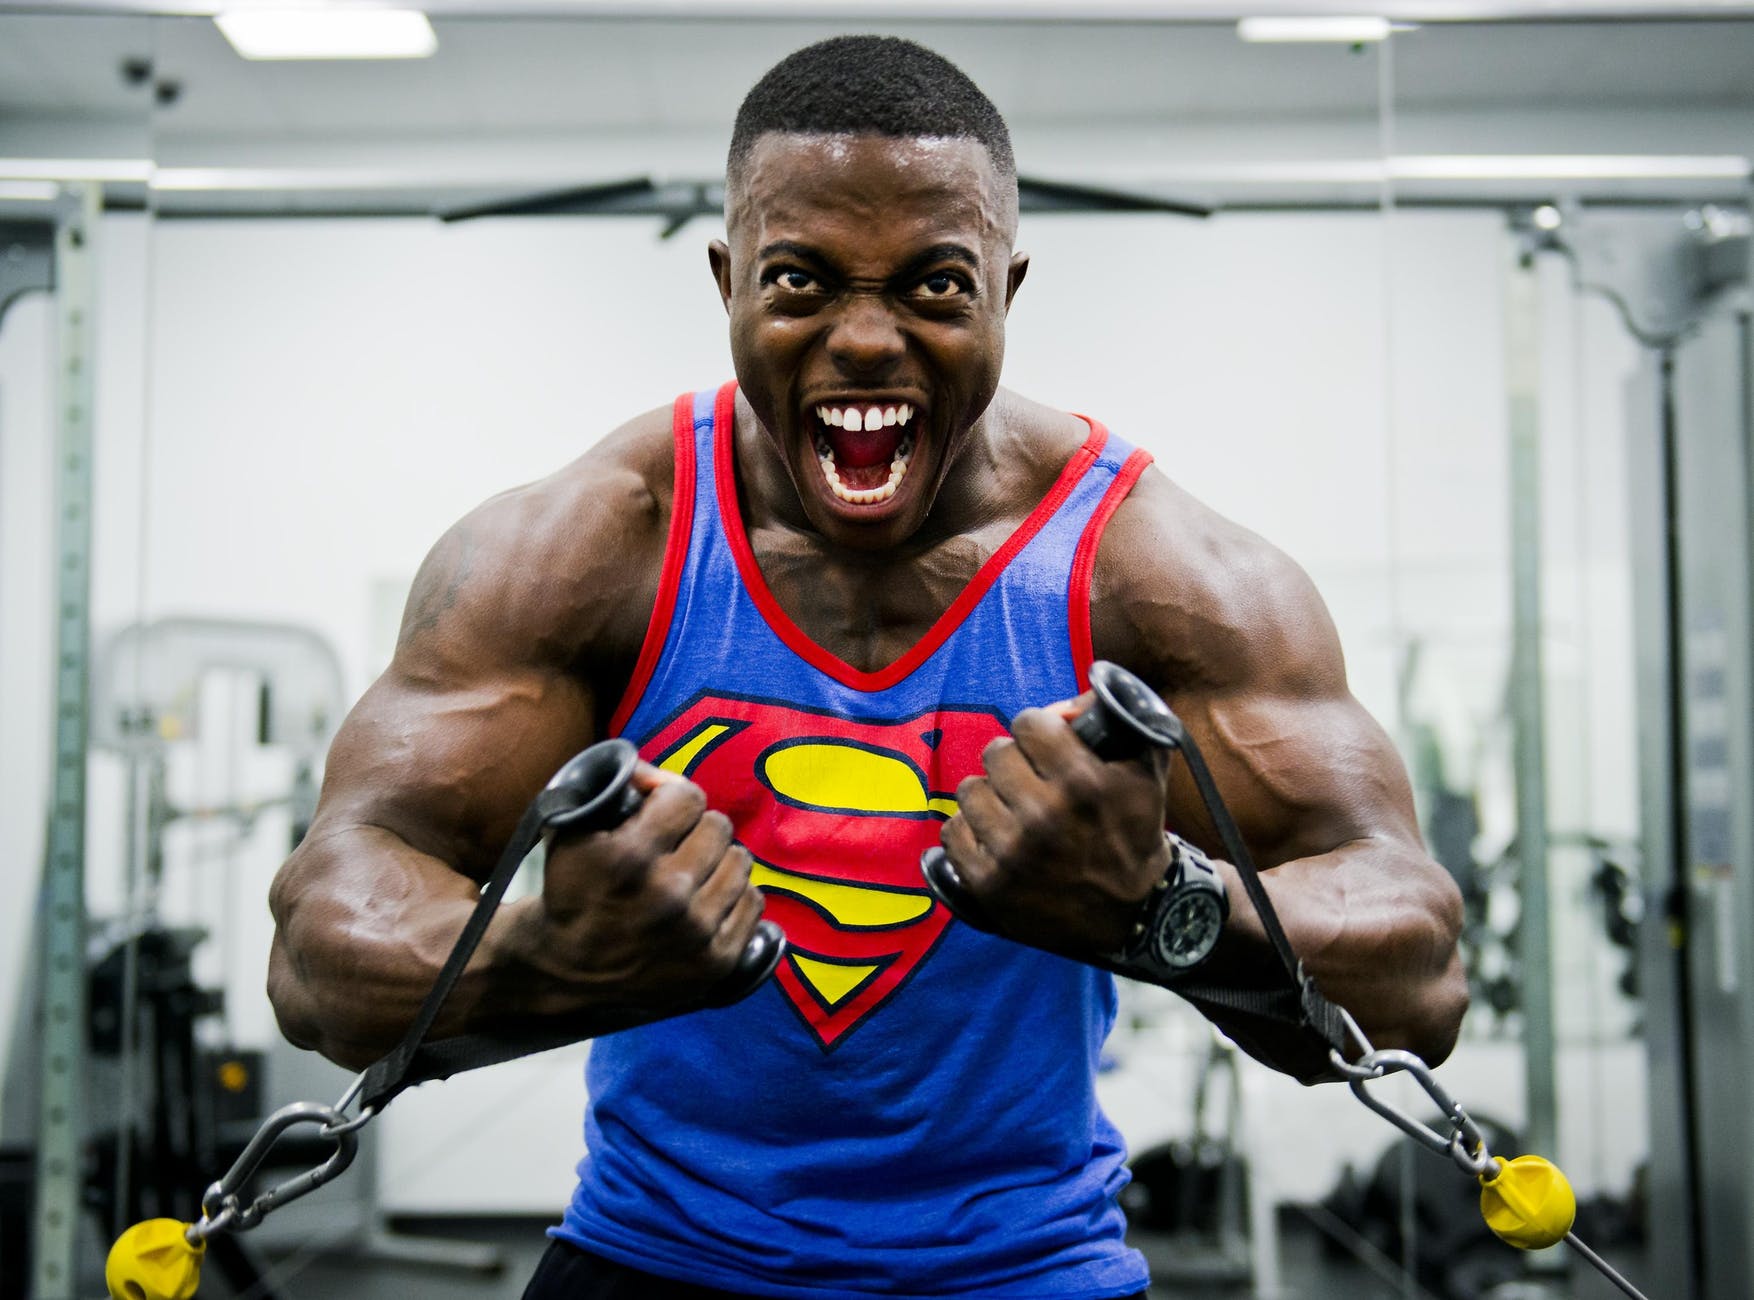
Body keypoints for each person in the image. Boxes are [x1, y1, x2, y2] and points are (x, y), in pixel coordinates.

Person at [266, 34, 1467, 1300]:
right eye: (799, 283)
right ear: (726, 282)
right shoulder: (587, 548)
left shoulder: (1156, 576)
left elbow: (1417, 970)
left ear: (1007, 287)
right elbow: (317, 950)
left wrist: (1160, 907)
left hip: (1027, 1271)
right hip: (653, 1259)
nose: (864, 342)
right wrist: (543, 960)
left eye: (934, 288)